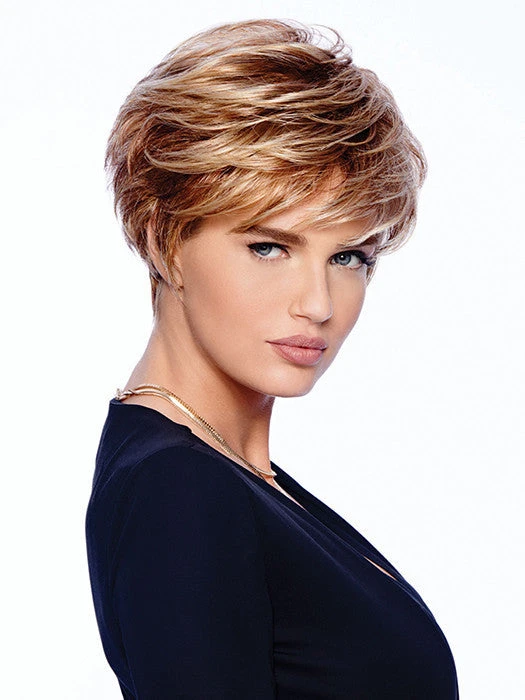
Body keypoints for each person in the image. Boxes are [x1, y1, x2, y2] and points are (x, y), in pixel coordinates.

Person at [85, 19, 459, 699]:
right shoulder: (179, 489)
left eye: (349, 257)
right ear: (163, 238)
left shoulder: (230, 474)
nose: (317, 304)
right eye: (269, 247)